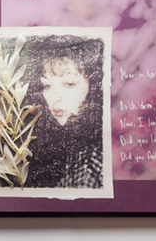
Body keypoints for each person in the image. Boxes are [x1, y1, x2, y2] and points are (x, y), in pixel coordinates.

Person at [21, 35, 105, 189]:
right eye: (46, 85)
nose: (54, 98)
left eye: (69, 84)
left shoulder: (90, 164)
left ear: (95, 86)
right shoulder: (59, 146)